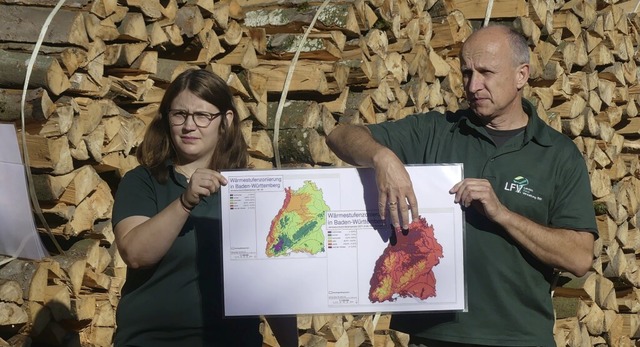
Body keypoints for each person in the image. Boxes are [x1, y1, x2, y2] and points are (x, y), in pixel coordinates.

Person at [326, 25, 597, 346]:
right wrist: (381, 157)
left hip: (519, 336)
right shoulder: (435, 131)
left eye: (486, 72)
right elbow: (339, 135)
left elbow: (580, 258)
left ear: (521, 75)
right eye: (467, 73)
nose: (473, 85)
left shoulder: (557, 155)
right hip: (433, 336)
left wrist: (503, 214)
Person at [112, 69, 296, 346]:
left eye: (202, 116)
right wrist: (184, 202)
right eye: (180, 115)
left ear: (226, 121)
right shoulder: (142, 182)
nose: (189, 126)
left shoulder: (251, 192)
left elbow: (270, 281)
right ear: (166, 118)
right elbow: (136, 254)